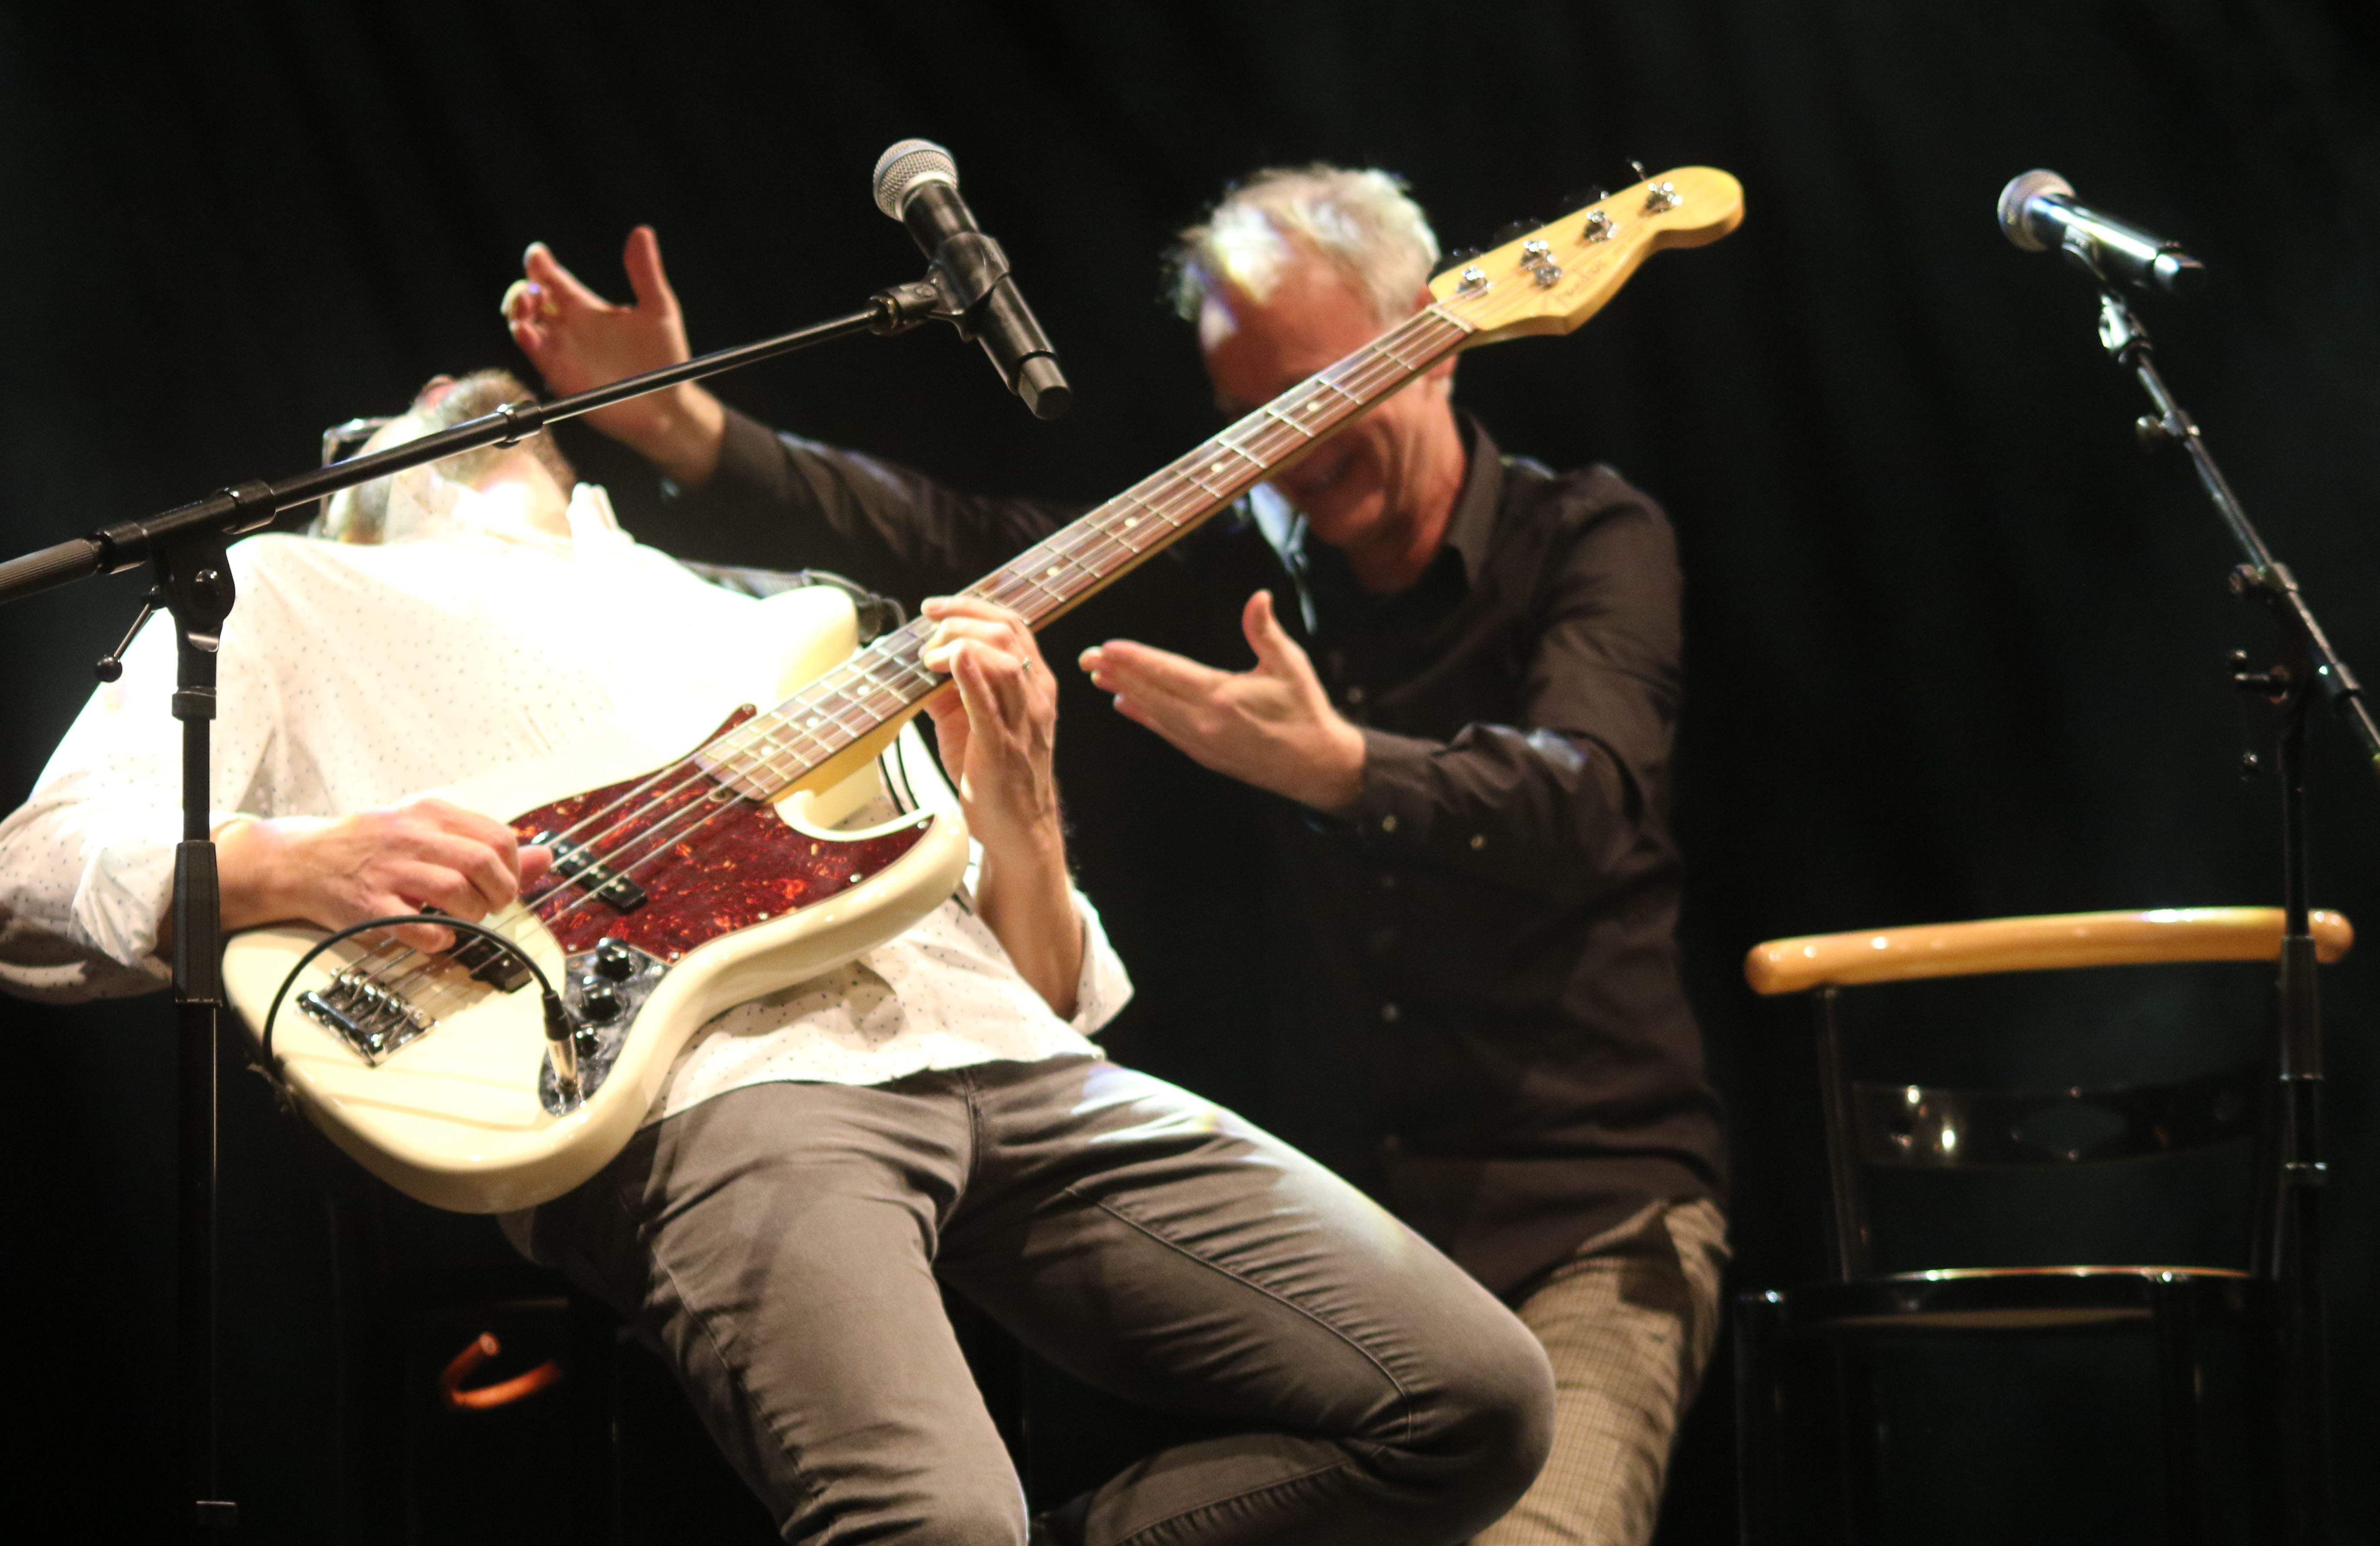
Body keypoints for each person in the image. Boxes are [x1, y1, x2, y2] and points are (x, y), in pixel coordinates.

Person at [0, 371, 1555, 1545]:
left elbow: (1044, 983)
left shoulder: (782, 623)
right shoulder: (295, 590)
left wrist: (1019, 799)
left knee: (1476, 1404)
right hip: (711, 1087)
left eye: (507, 415)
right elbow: (29, 872)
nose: (462, 403)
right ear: (356, 488)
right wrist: (284, 859)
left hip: (1000, 1055)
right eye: (407, 420)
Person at [505, 164, 1729, 1546]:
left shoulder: (1591, 537)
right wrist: (685, 425)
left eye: (1326, 389)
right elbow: (949, 548)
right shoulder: (1222, 564)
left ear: (1430, 344)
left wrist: (1344, 769)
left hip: (1583, 1218)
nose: (1298, 446)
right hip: (1343, 1230)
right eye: (1256, 411)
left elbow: (1591, 802)